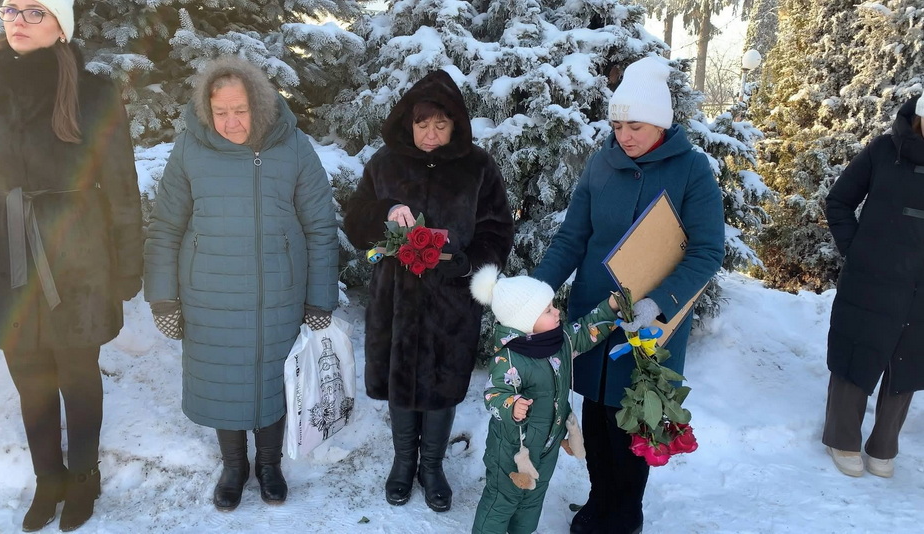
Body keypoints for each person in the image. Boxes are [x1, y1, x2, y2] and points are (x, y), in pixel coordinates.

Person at [532, 56, 725, 534]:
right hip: (596, 317)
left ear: (659, 123)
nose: (625, 136)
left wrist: (661, 301)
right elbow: (572, 238)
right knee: (597, 418)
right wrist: (536, 288)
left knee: (634, 422)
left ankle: (623, 517)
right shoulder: (602, 164)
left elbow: (706, 251)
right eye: (617, 124)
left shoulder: (692, 170)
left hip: (650, 326)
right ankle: (601, 501)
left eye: (635, 125)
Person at [0, 1, 142, 531]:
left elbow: (120, 188)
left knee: (77, 373)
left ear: (60, 27)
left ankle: (83, 479)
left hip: (80, 258)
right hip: (4, 254)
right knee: (31, 378)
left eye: (34, 11)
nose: (17, 20)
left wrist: (127, 267)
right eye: (10, 9)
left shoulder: (93, 94)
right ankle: (48, 480)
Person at [143, 56, 338, 512]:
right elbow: (166, 226)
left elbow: (320, 227)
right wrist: (163, 298)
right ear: (207, 112)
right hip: (209, 295)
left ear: (261, 106)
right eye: (221, 112)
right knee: (223, 382)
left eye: (241, 110)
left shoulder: (292, 146)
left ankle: (269, 465)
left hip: (279, 294)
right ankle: (234, 466)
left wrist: (319, 299)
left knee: (273, 381)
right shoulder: (191, 148)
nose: (231, 122)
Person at [342, 69, 514, 512]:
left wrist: (466, 264)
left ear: (456, 123)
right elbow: (356, 221)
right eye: (422, 124)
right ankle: (403, 463)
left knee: (442, 385)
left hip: (452, 300)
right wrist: (387, 210)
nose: (431, 134)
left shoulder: (478, 167)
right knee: (400, 382)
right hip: (395, 299)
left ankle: (431, 466)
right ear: (408, 123)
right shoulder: (384, 164)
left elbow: (497, 231)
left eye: (441, 124)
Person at [469, 265, 618, 534]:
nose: (557, 311)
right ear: (525, 321)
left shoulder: (560, 341)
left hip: (547, 446)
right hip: (513, 451)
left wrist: (610, 307)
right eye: (548, 309)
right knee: (502, 501)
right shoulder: (509, 358)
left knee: (533, 499)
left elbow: (585, 331)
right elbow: (493, 394)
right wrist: (511, 405)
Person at [821, 95, 924, 479]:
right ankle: (841, 438)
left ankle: (884, 446)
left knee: (908, 360)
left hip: (921, 286)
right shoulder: (883, 150)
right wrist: (857, 250)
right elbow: (839, 201)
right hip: (871, 277)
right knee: (857, 351)